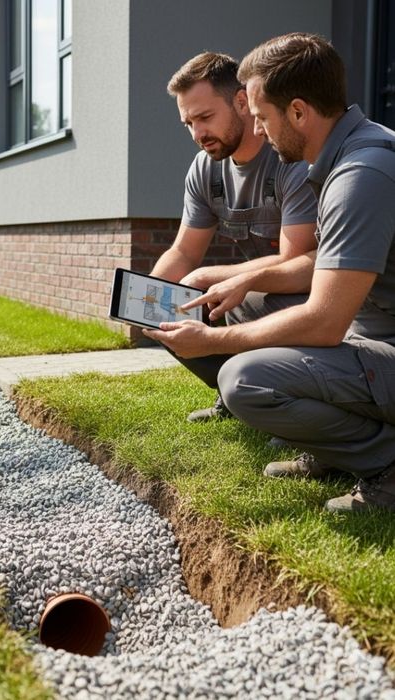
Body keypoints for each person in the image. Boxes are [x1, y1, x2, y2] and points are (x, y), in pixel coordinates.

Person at [144, 32, 395, 514]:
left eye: (261, 116)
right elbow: (326, 279)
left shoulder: (360, 175)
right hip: (372, 333)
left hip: (381, 342)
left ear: (298, 112)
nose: (259, 129)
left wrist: (213, 341)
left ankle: (386, 463)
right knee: (239, 324)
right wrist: (238, 282)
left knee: (245, 379)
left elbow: (324, 322)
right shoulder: (346, 158)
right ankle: (333, 448)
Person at [151, 52, 317, 422]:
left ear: (242, 102)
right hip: (257, 290)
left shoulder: (287, 159)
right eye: (188, 123)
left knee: (229, 297)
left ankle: (282, 398)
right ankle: (233, 395)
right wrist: (148, 296)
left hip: (305, 294)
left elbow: (298, 262)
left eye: (205, 117)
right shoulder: (205, 170)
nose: (197, 134)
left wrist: (211, 277)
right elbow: (183, 251)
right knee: (170, 310)